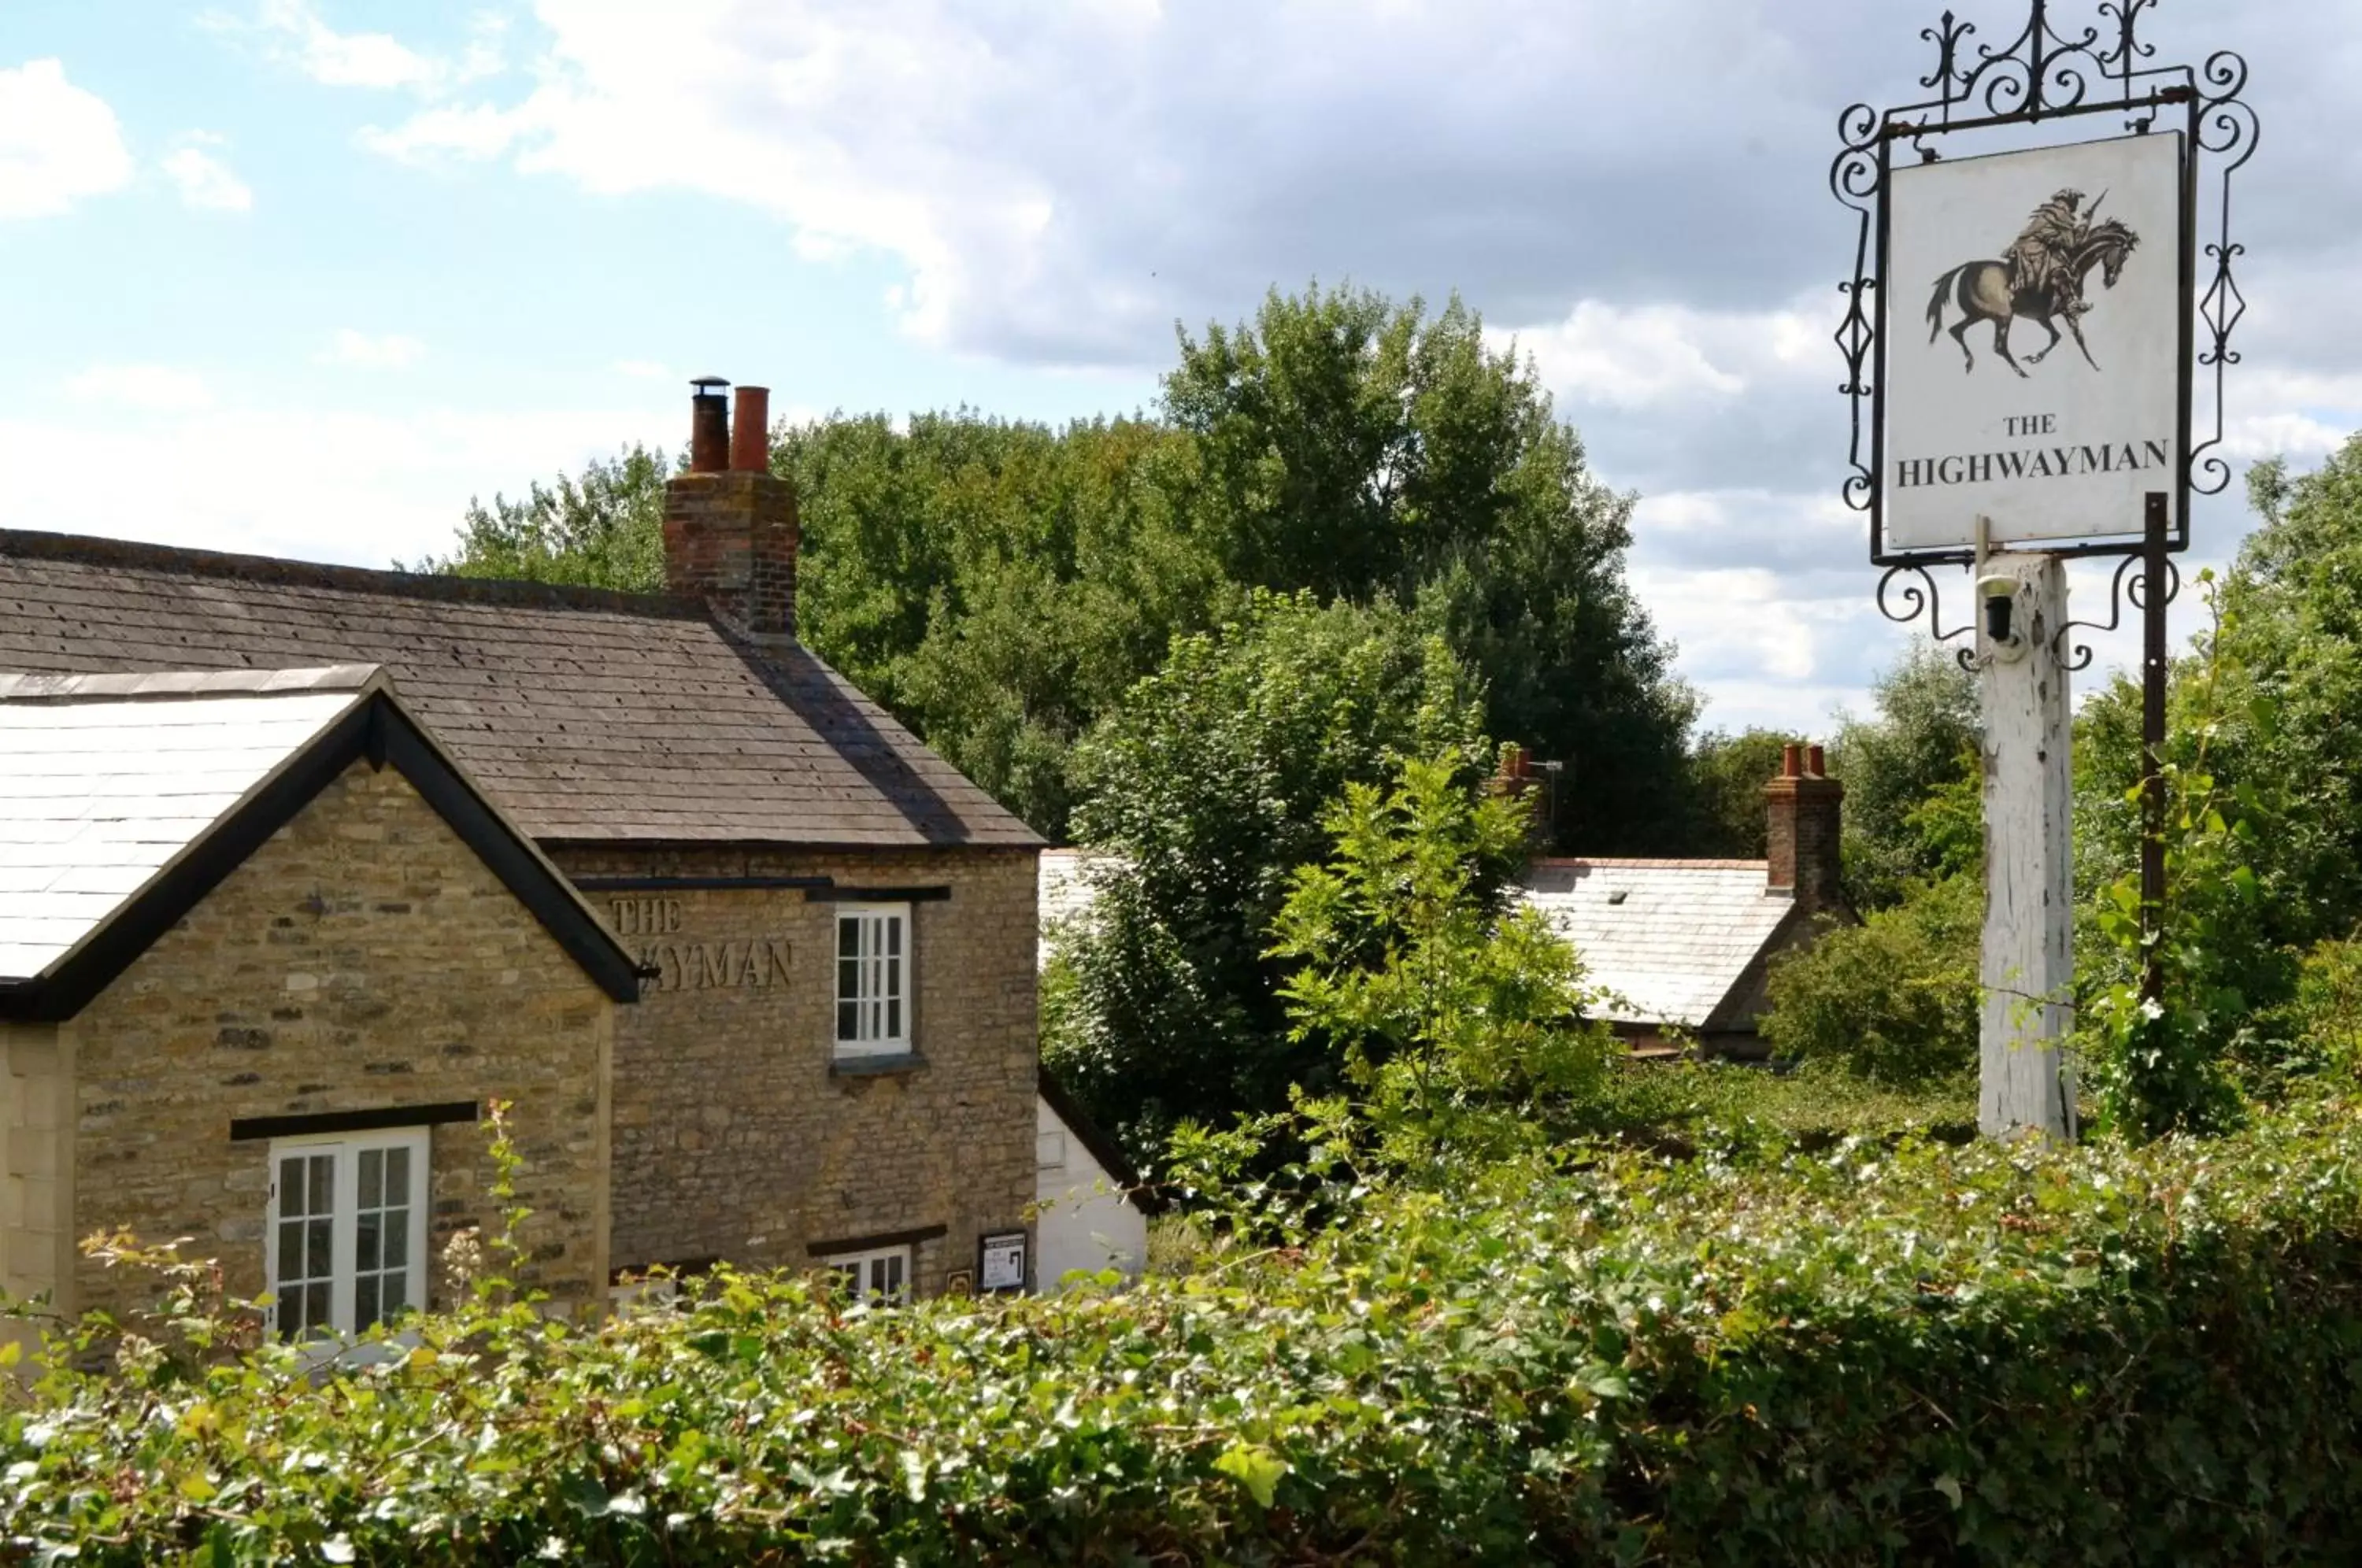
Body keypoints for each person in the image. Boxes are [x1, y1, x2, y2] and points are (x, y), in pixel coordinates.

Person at [2005, 188, 2086, 298]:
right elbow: (2071, 244)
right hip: (2036, 248)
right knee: (2063, 269)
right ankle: (2070, 302)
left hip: (2024, 245)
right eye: (2076, 201)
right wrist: (2084, 223)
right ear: (2070, 201)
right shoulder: (2062, 216)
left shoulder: (2050, 211)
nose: (2077, 204)